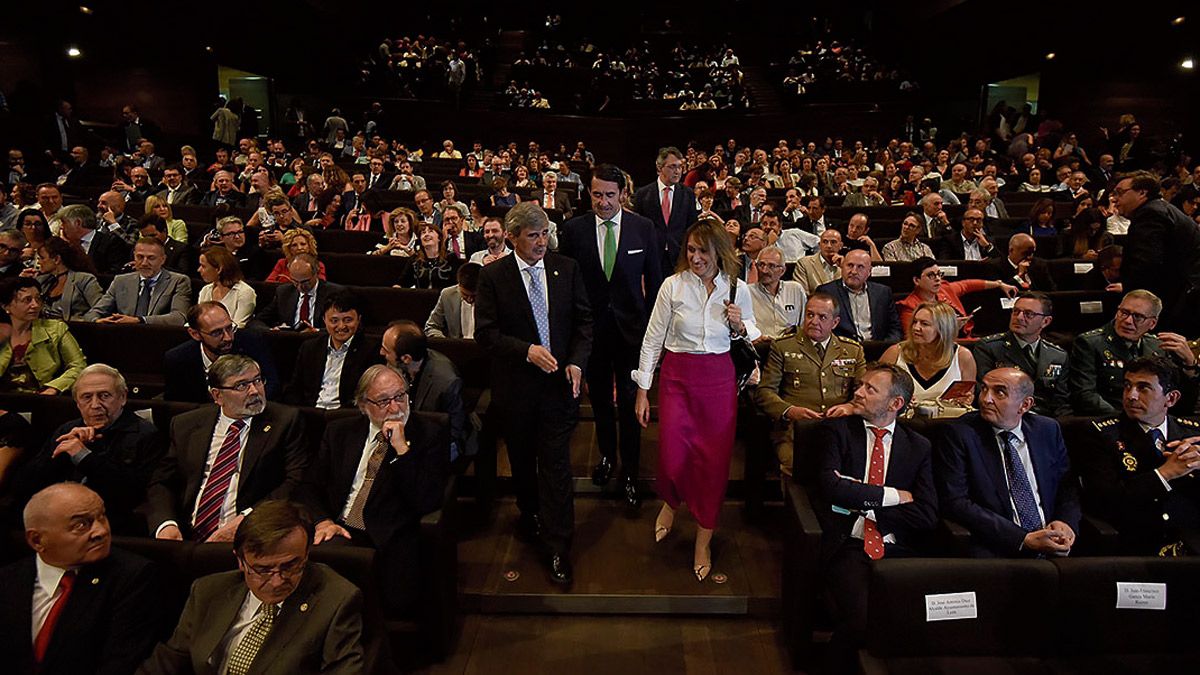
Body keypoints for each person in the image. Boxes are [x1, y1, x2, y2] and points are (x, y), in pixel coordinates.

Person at [634, 219, 759, 581]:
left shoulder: (737, 289)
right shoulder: (672, 286)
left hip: (717, 381)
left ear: (719, 251)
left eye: (703, 251)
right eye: (690, 250)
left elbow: (754, 332)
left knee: (712, 463)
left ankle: (703, 537)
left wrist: (740, 325)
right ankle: (671, 502)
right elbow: (652, 339)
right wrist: (643, 390)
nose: (695, 257)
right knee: (673, 456)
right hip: (676, 378)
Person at [475, 202, 592, 585]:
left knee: (556, 466)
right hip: (517, 390)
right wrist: (525, 350)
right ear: (511, 237)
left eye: (544, 234)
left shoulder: (566, 269)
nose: (541, 242)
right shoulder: (493, 276)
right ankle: (530, 516)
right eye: (532, 235)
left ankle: (559, 545)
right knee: (523, 463)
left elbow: (583, 323)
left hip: (559, 388)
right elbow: (486, 335)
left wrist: (576, 361)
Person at [138, 500, 367, 674]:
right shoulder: (208, 591)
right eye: (263, 569)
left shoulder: (336, 600)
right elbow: (165, 665)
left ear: (306, 553)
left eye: (291, 565)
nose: (277, 581)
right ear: (240, 560)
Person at [814, 363, 937, 671]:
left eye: (870, 389)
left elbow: (926, 513)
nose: (858, 392)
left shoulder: (918, 446)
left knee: (919, 619)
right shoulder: (837, 430)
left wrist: (861, 497)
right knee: (862, 618)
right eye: (861, 385)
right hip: (850, 544)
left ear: (895, 404)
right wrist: (891, 496)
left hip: (898, 548)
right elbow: (830, 487)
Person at [299, 365, 449, 614]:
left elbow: (426, 500)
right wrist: (323, 521)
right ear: (363, 405)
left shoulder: (428, 433)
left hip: (386, 538)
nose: (395, 408)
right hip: (337, 529)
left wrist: (402, 450)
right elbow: (308, 486)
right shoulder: (340, 432)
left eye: (400, 396)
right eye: (383, 401)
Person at [559, 164, 664, 506]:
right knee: (601, 402)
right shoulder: (573, 230)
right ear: (589, 193)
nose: (603, 202)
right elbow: (568, 287)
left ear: (622, 194)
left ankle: (631, 472)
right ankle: (607, 457)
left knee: (633, 404)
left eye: (609, 195)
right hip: (592, 335)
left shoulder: (643, 228)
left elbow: (657, 285)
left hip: (632, 334)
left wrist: (652, 335)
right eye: (597, 194)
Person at [0, 484, 164, 675]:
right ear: (37, 540)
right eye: (81, 525)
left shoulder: (133, 577)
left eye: (102, 516)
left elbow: (120, 665)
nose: (101, 531)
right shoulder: (8, 581)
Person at [146, 355, 307, 541]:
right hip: (185, 535)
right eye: (241, 386)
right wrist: (166, 524)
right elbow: (162, 481)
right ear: (217, 395)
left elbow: (295, 481)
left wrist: (248, 519)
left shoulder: (285, 421)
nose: (255, 391)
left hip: (251, 533)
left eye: (257, 380)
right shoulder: (186, 424)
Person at [934, 367, 1081, 558]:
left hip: (1054, 542)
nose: (986, 399)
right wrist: (1023, 538)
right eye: (984, 389)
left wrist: (1065, 522)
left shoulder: (1047, 430)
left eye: (999, 392)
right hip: (997, 545)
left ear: (1025, 405)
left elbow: (1067, 487)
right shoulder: (959, 433)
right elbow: (956, 502)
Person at [1082, 356, 1200, 555]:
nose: (1131, 396)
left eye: (1143, 388)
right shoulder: (1101, 434)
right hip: (1136, 544)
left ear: (1170, 398)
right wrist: (1164, 474)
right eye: (1127, 386)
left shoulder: (1193, 434)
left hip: (1191, 541)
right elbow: (1104, 502)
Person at [754, 292, 865, 477]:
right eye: (810, 315)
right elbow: (764, 392)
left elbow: (864, 392)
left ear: (835, 323)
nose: (814, 321)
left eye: (822, 317)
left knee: (849, 468)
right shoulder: (783, 347)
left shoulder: (852, 350)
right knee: (803, 467)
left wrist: (850, 406)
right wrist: (789, 410)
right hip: (795, 432)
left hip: (840, 431)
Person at [1116, 171, 1200, 334]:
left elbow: (1146, 264)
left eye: (1120, 193)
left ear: (1142, 193)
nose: (1115, 199)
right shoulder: (1161, 209)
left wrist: (1131, 295)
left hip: (1180, 299)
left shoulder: (1150, 213)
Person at [1069, 290, 1170, 415]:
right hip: (1109, 418)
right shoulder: (1089, 343)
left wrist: (1190, 363)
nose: (1128, 321)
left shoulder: (1158, 346)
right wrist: (1126, 418)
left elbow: (1169, 393)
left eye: (1137, 317)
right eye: (1124, 313)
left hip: (1150, 417)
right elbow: (1085, 395)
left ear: (1152, 323)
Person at [380, 320, 468, 461]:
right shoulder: (395, 366)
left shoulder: (447, 382)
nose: (381, 352)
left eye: (386, 350)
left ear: (406, 358)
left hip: (437, 440)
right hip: (403, 431)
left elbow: (454, 431)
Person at [973, 292, 1071, 416]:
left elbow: (1061, 402)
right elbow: (982, 392)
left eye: (1028, 314)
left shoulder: (1057, 355)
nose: (1019, 317)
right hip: (1005, 418)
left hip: (1045, 421)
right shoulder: (990, 347)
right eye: (1016, 311)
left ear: (1045, 321)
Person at [163, 302, 280, 403]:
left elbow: (272, 386)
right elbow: (175, 404)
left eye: (230, 328)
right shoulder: (178, 359)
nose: (228, 338)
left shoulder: (253, 343)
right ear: (195, 334)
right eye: (217, 333)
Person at [284, 293, 381, 410]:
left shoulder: (371, 350)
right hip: (311, 413)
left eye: (348, 320)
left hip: (346, 415)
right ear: (324, 320)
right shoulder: (310, 347)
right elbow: (295, 388)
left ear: (358, 320)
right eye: (334, 321)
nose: (341, 326)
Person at [881, 302, 977, 415]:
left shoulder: (963, 357)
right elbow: (875, 392)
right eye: (915, 322)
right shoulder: (895, 353)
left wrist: (965, 399)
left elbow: (967, 398)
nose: (916, 328)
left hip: (947, 424)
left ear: (943, 328)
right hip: (904, 423)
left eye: (924, 324)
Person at [0, 277, 87, 394]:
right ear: (6, 306)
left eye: (38, 299)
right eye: (27, 300)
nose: (35, 305)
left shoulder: (56, 329)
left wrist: (54, 388)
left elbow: (78, 366)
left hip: (43, 399)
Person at [896, 257, 1017, 338]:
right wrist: (951, 329)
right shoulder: (909, 307)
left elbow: (968, 285)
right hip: (940, 350)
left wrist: (999, 284)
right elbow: (915, 341)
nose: (938, 279)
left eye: (939, 274)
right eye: (931, 275)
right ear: (916, 280)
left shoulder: (944, 289)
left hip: (967, 339)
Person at [83, 238, 191, 326]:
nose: (144, 263)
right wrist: (97, 321)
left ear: (163, 259)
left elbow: (179, 318)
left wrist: (140, 320)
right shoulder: (120, 281)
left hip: (159, 338)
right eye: (140, 257)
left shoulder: (178, 281)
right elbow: (93, 313)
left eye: (151, 258)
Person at [816, 249, 902, 343]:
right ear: (842, 267)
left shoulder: (883, 292)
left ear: (869, 271)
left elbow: (895, 328)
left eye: (860, 267)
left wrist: (886, 346)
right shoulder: (827, 292)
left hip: (878, 348)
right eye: (850, 265)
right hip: (843, 350)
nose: (854, 271)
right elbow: (821, 328)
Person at [634, 147, 698, 269]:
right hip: (651, 257)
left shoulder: (688, 194)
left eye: (680, 167)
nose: (678, 171)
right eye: (672, 167)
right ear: (659, 168)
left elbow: (692, 226)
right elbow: (638, 229)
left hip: (679, 258)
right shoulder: (643, 194)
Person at [252, 254, 345, 331]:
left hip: (319, 341)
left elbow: (345, 326)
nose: (300, 286)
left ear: (316, 273)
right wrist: (271, 330)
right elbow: (257, 321)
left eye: (305, 282)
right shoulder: (283, 292)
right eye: (295, 281)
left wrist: (317, 331)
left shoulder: (335, 293)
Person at [32, 237, 102, 321]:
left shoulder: (84, 279)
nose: (39, 262)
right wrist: (23, 281)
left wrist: (86, 320)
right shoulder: (41, 281)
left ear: (57, 259)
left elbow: (100, 308)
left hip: (74, 329)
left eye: (42, 258)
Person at [747, 245, 806, 341]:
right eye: (761, 265)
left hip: (790, 346)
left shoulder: (795, 289)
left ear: (782, 270)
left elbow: (804, 323)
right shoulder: (747, 292)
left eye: (771, 266)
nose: (764, 270)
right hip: (761, 346)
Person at [58, 204, 130, 276]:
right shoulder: (68, 244)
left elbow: (114, 275)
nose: (61, 227)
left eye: (64, 222)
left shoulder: (111, 243)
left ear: (78, 223)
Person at [196, 246, 255, 328]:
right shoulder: (205, 290)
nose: (198, 270)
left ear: (219, 269)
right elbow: (199, 321)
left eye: (203, 266)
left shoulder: (245, 292)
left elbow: (238, 326)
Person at [398, 221, 460, 290]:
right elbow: (402, 283)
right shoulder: (415, 260)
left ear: (439, 238)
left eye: (430, 231)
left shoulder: (450, 257)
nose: (426, 234)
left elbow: (457, 284)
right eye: (423, 233)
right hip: (421, 298)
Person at [425, 262, 479, 339]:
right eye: (465, 295)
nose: (470, 300)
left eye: (474, 296)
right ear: (459, 285)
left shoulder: (493, 297)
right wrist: (444, 343)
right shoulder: (447, 295)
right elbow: (431, 326)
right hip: (454, 347)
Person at [987, 233, 1056, 291]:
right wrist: (1019, 275)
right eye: (1026, 253)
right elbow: (998, 292)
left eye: (1032, 253)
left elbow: (1051, 290)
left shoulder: (1039, 265)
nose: (1029, 257)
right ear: (1011, 250)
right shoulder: (994, 266)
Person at [792, 228, 843, 294]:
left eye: (833, 242)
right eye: (825, 242)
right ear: (819, 245)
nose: (829, 246)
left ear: (840, 245)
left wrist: (843, 267)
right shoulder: (804, 264)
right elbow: (801, 294)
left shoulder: (846, 265)